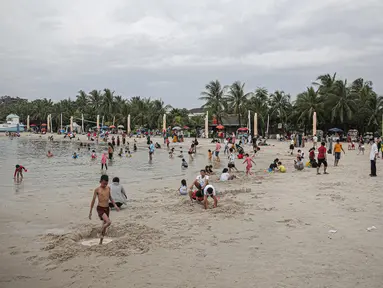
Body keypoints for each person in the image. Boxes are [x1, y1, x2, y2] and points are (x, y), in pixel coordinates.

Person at [89, 175, 120, 244]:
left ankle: (100, 242)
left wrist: (115, 205)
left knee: (105, 226)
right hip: (100, 208)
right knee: (108, 222)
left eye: (106, 183)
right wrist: (90, 212)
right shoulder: (97, 190)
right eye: (104, 183)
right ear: (100, 181)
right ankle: (100, 230)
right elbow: (93, 201)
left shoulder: (108, 188)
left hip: (107, 208)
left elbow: (110, 198)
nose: (105, 185)